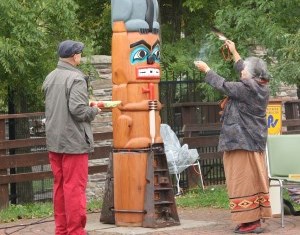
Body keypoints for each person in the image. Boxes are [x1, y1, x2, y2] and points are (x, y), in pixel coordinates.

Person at [194, 40, 272, 234]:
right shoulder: (259, 85)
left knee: (242, 181)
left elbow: (222, 84)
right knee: (249, 181)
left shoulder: (245, 89)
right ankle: (249, 219)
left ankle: (250, 221)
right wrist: (234, 50)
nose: (242, 71)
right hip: (249, 143)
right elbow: (243, 67)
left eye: (245, 70)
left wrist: (206, 70)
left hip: (242, 144)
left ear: (252, 75)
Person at [42, 40, 100, 235]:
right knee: (74, 188)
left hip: (54, 142)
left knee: (59, 187)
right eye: (80, 54)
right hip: (73, 143)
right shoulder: (76, 78)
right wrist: (93, 110)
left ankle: (62, 230)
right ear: (75, 56)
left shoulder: (50, 77)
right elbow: (77, 110)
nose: (80, 56)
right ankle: (75, 231)